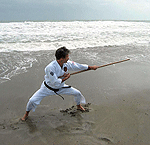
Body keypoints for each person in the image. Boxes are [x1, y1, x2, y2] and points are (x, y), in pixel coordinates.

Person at [21, 47, 98, 121]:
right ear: (62, 58)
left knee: (77, 93)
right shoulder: (50, 67)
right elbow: (54, 81)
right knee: (32, 100)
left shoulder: (66, 63)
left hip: (60, 87)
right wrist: (66, 78)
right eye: (67, 56)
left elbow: (78, 66)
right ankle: (26, 114)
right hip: (47, 88)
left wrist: (91, 67)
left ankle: (78, 106)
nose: (68, 58)